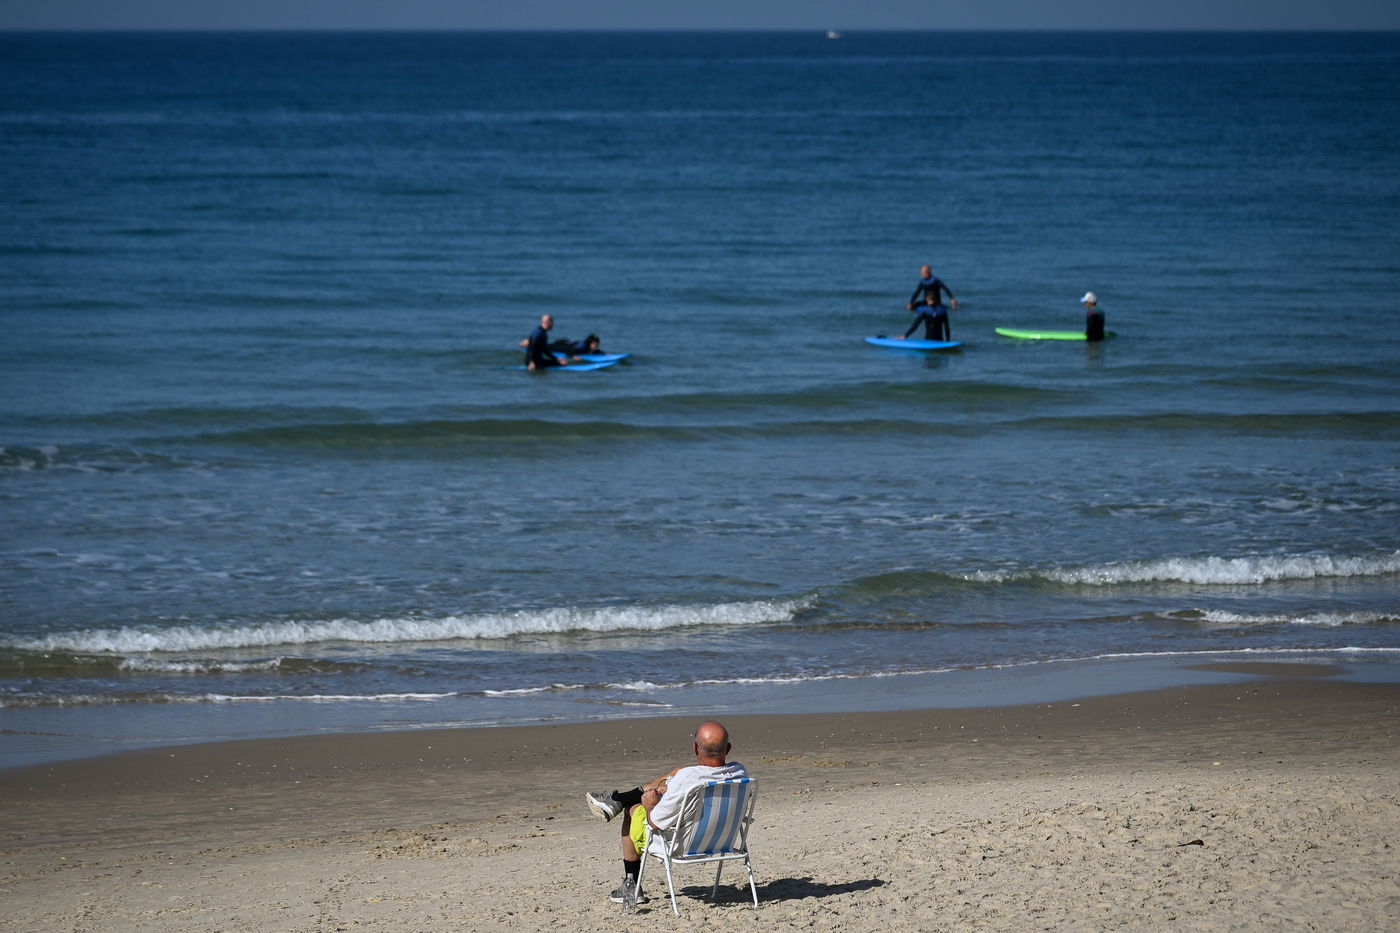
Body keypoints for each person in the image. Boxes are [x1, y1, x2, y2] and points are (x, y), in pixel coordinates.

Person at [584, 720, 749, 905]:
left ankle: (632, 886)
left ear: (695, 748)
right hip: (722, 840)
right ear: (728, 749)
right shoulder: (740, 773)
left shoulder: (687, 779)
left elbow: (655, 822)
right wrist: (669, 792)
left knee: (633, 810)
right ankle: (617, 800)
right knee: (677, 774)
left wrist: (650, 804)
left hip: (682, 845)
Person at [900, 264, 958, 341]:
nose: (920, 274)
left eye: (922, 272)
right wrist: (911, 302)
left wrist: (952, 298)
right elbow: (917, 292)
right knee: (911, 307)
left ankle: (906, 335)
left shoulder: (935, 280)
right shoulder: (922, 282)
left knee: (927, 314)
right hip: (926, 302)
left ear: (927, 272)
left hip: (936, 302)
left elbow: (945, 288)